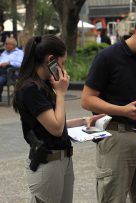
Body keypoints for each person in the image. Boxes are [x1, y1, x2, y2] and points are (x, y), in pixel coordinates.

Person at [81, 10, 136, 203]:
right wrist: (122, 110)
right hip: (116, 135)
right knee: (113, 197)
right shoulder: (108, 57)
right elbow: (87, 99)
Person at [12, 34, 104, 203]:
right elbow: (55, 128)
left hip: (63, 159)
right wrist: (61, 93)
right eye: (62, 63)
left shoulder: (45, 84)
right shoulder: (30, 89)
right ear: (51, 60)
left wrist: (84, 121)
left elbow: (54, 123)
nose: (63, 69)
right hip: (48, 163)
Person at [0, 37, 24, 102]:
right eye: (5, 44)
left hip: (10, 72)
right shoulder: (4, 52)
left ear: (13, 45)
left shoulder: (19, 52)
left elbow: (20, 64)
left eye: (7, 44)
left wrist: (9, 63)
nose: (5, 45)